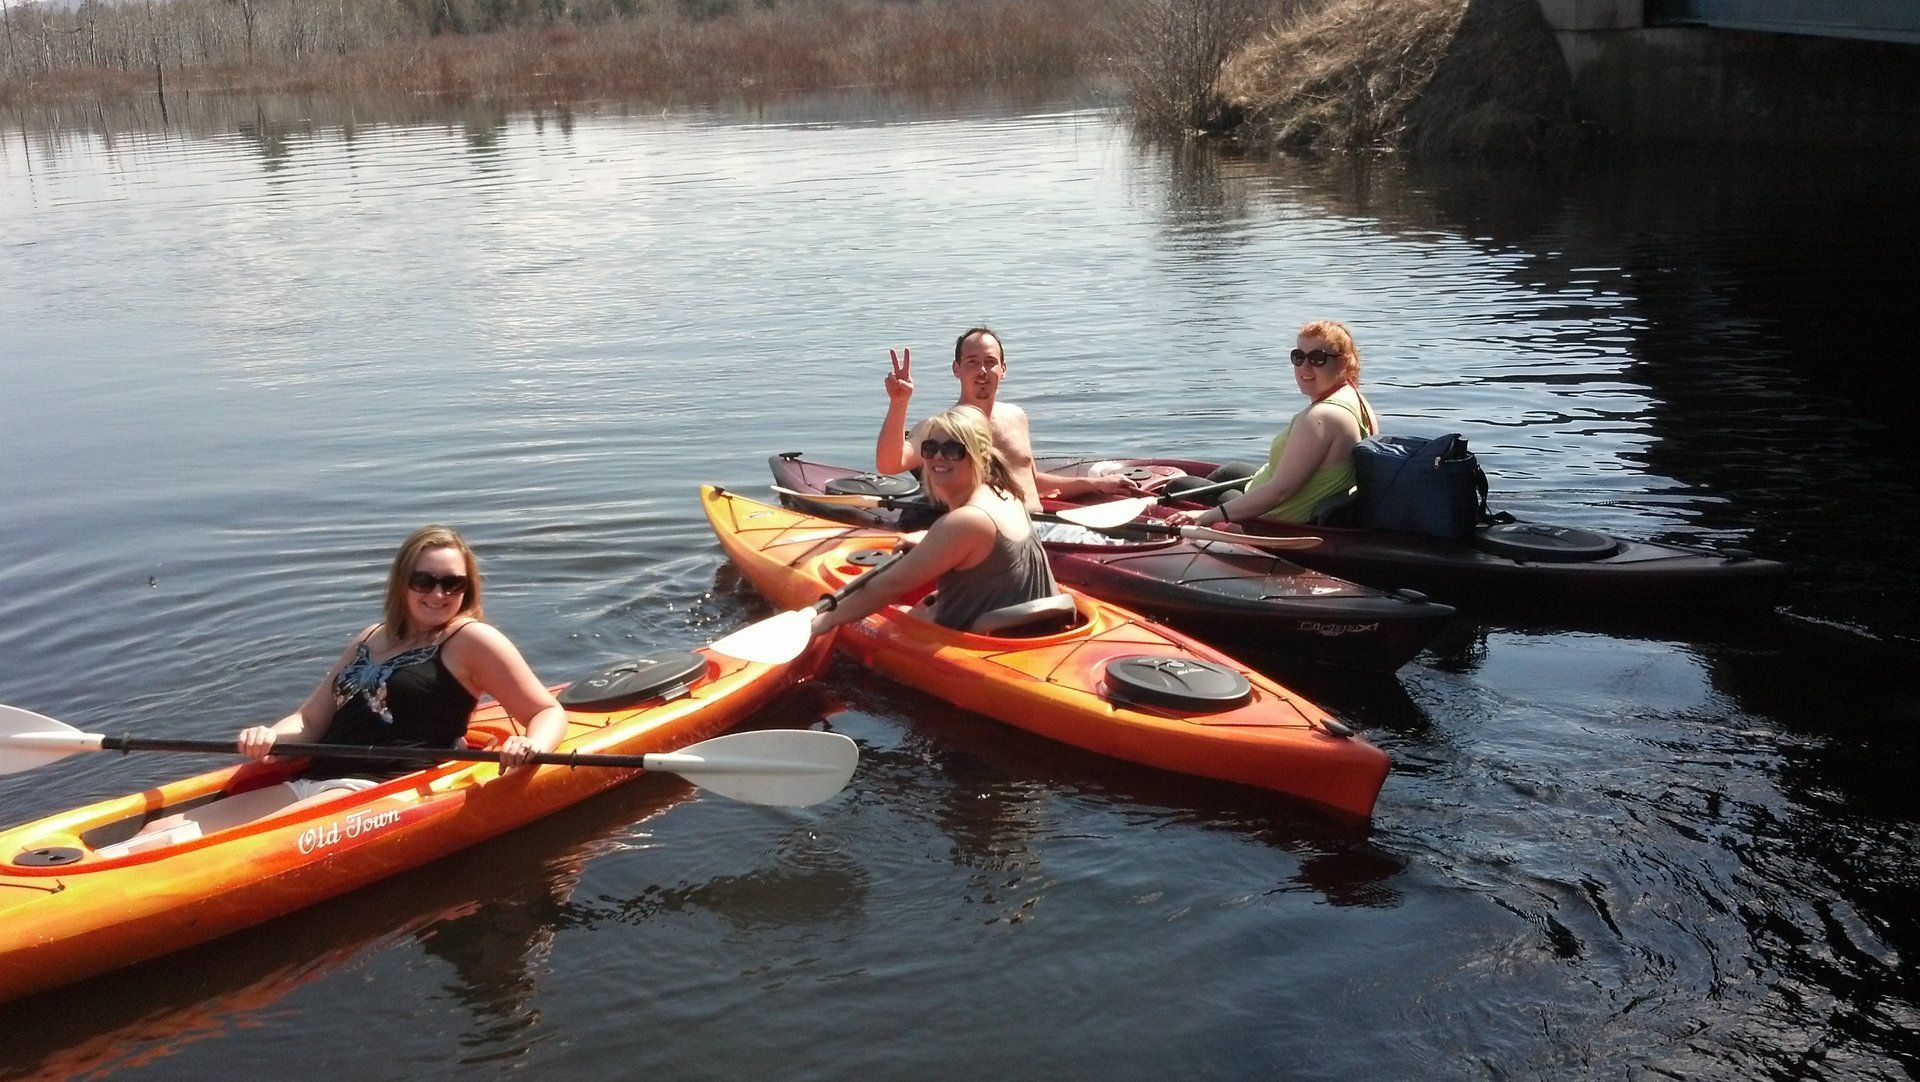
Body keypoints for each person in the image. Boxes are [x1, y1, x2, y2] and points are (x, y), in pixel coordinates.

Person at [119, 526, 567, 848]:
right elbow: (311, 719)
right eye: (424, 580)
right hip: (315, 780)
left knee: (223, 849)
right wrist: (272, 737)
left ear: (467, 588)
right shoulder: (371, 638)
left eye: (452, 583)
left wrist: (531, 746)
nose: (438, 593)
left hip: (376, 792)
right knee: (158, 832)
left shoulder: (471, 640)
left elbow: (547, 711)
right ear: (403, 583)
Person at [817, 406, 1064, 636]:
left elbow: (890, 585)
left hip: (987, 645)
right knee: (923, 605)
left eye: (953, 450)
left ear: (980, 455)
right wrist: (930, 539)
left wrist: (825, 620)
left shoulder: (966, 521)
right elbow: (984, 548)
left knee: (889, 618)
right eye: (930, 448)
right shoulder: (1006, 495)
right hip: (1034, 627)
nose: (938, 457)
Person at [875, 327, 1144, 513]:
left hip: (1037, 525)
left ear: (1003, 369)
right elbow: (889, 464)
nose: (982, 370)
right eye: (972, 362)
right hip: (992, 538)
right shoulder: (943, 428)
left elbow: (1027, 480)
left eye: (990, 362)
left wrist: (1094, 485)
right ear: (956, 369)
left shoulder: (1016, 416)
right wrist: (899, 403)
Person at [1165, 320, 1380, 529]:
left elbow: (1280, 492)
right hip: (1294, 501)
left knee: (1180, 487)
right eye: (1298, 357)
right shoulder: (1356, 399)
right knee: (1230, 471)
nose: (1304, 367)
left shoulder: (1320, 418)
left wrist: (1207, 516)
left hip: (1278, 518)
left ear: (1343, 362)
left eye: (1317, 358)